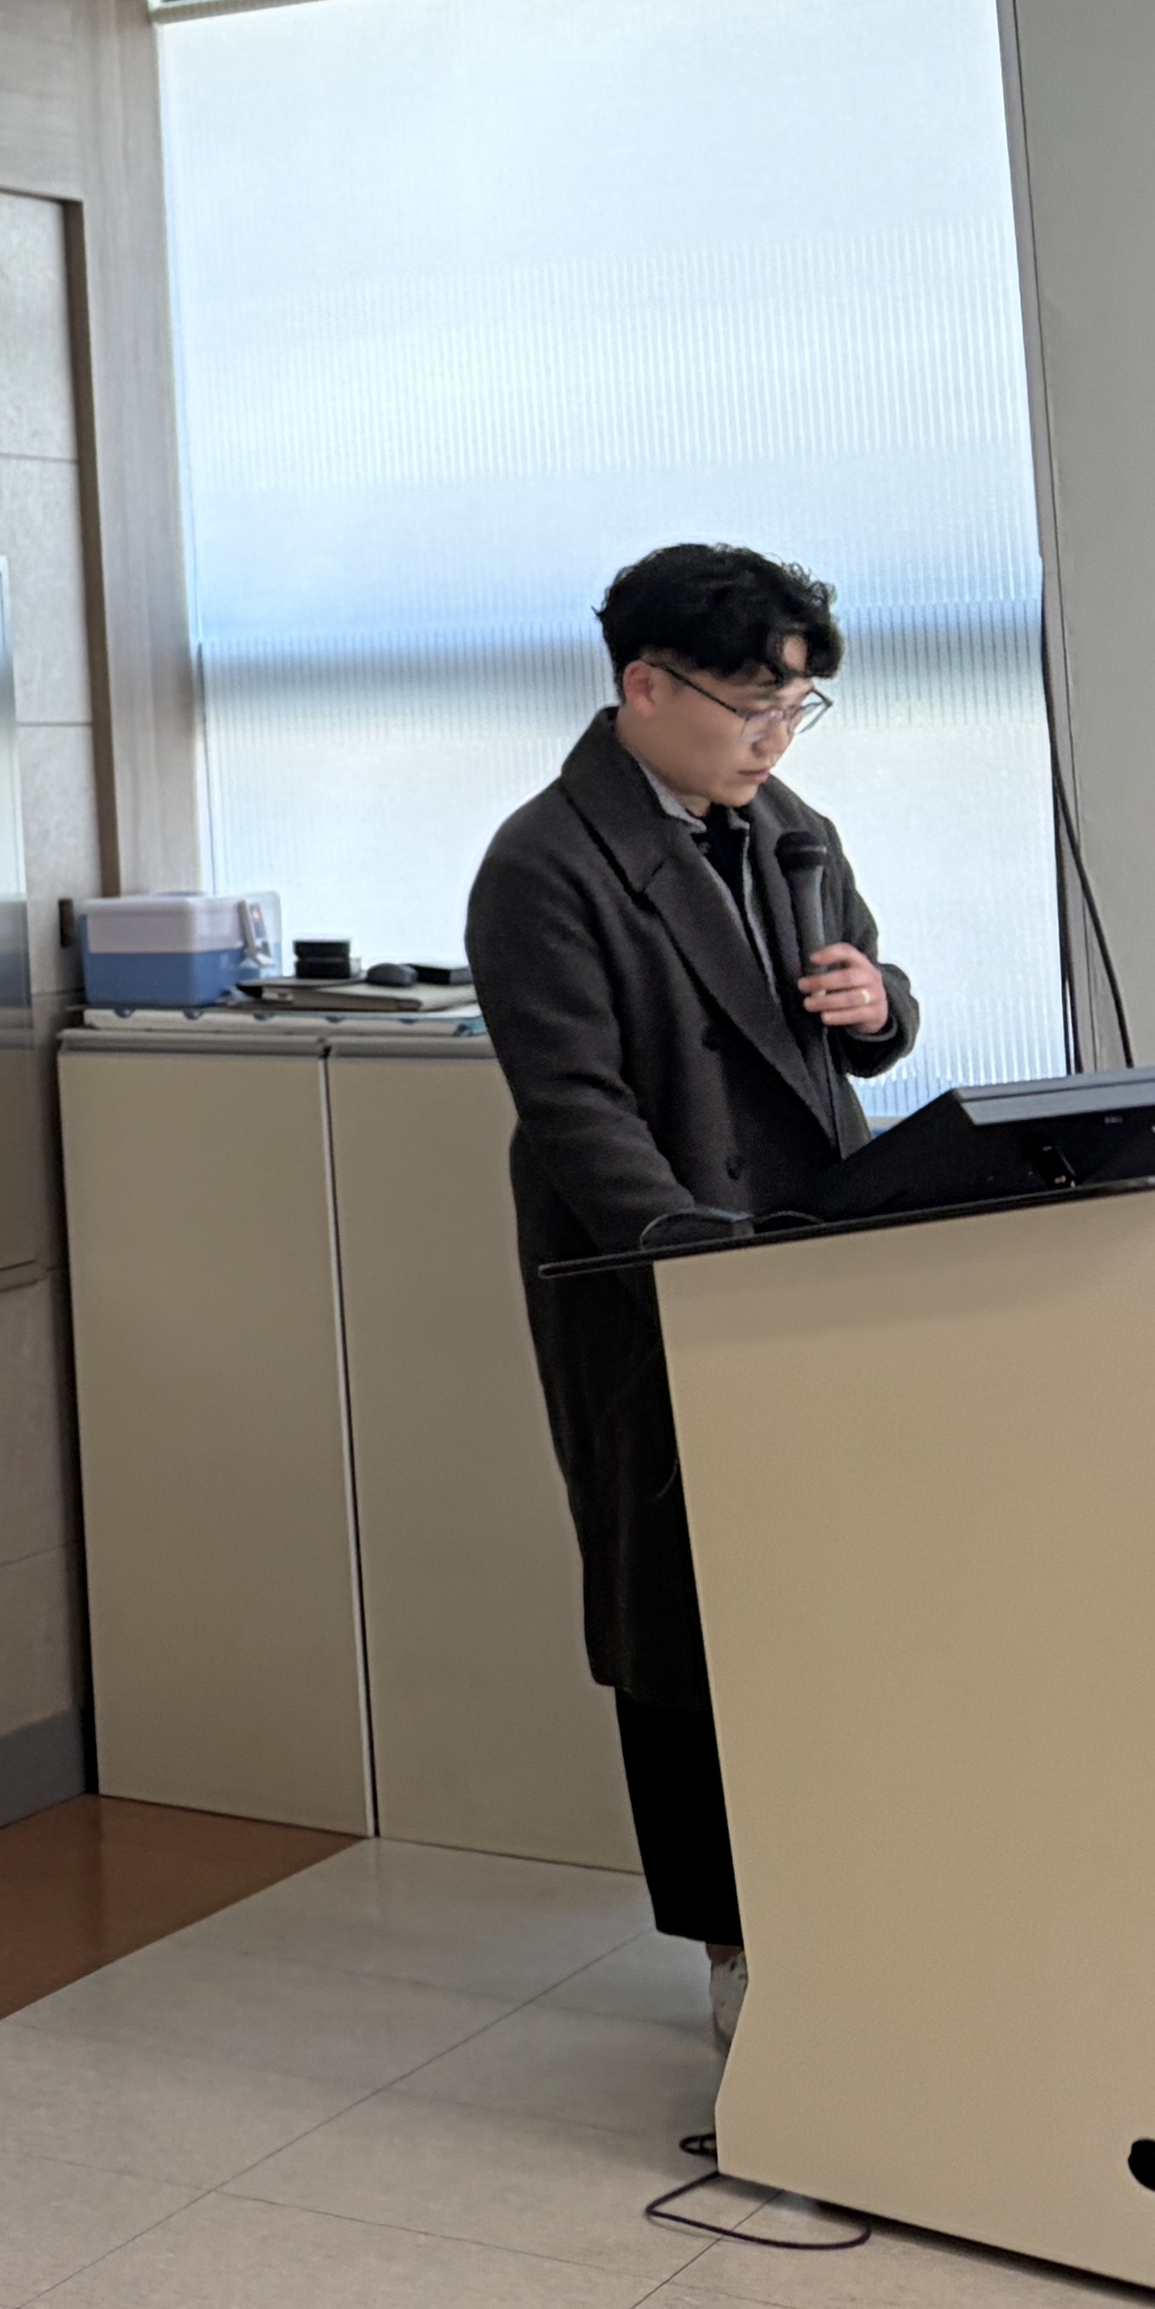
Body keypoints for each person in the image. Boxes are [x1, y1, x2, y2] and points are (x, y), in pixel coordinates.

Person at [461, 545, 918, 2041]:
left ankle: (855, 1910)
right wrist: (691, 1257)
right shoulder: (544, 862)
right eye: (749, 707)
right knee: (678, 1623)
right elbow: (574, 1106)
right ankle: (732, 1953)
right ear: (644, 687)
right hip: (659, 1283)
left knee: (830, 1601)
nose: (775, 738)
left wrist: (880, 1006)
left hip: (815, 1259)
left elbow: (863, 1014)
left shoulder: (792, 830)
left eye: (798, 707)